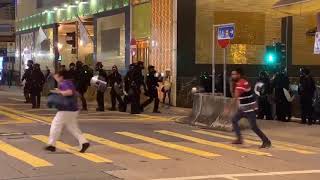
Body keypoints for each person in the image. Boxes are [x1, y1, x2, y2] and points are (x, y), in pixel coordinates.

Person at [45, 70, 90, 153]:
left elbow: (69, 92)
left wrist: (59, 92)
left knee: (55, 124)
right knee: (73, 128)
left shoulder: (64, 83)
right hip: (73, 109)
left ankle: (51, 144)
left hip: (65, 109)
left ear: (61, 77)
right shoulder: (69, 82)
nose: (56, 78)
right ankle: (84, 142)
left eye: (57, 76)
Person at [230, 68, 271, 148]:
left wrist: (228, 108)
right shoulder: (241, 82)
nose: (232, 76)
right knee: (234, 119)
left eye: (234, 74)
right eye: (232, 74)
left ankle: (266, 141)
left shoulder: (241, 83)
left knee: (253, 127)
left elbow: (235, 96)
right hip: (243, 109)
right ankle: (239, 139)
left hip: (249, 109)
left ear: (239, 75)